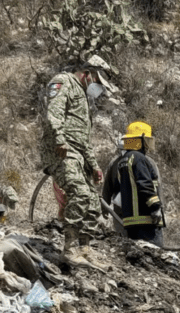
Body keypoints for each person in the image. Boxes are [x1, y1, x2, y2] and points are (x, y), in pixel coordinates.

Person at [40, 54, 116, 264]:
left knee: (92, 202)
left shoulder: (83, 97)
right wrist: (59, 139)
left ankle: (85, 249)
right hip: (62, 151)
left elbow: (83, 139)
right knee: (80, 194)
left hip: (78, 155)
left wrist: (94, 166)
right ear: (88, 73)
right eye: (98, 82)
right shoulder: (64, 81)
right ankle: (69, 249)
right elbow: (53, 113)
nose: (98, 88)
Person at [102, 121, 164, 244]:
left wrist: (104, 208)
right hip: (146, 219)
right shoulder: (141, 159)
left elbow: (107, 188)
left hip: (129, 219)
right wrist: (157, 207)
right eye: (146, 140)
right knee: (155, 254)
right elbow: (147, 185)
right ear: (140, 140)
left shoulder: (122, 161)